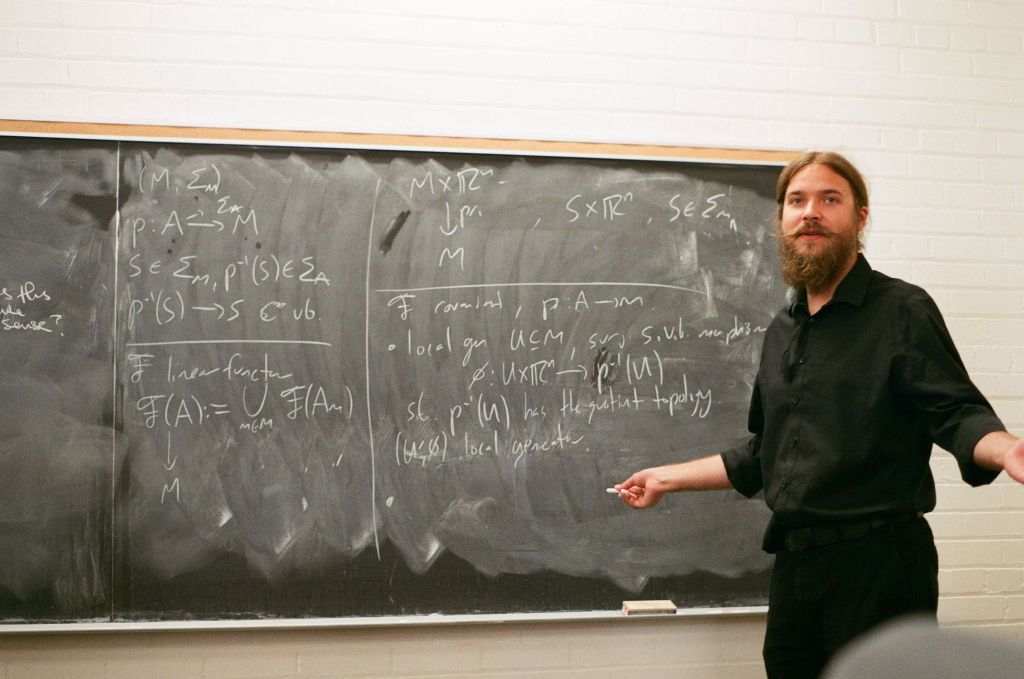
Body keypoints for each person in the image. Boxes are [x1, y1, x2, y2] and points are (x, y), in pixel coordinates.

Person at [614, 150, 1024, 679]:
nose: (811, 212)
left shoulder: (900, 309)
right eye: (797, 201)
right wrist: (664, 478)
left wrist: (1005, 446)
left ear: (860, 217)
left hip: (879, 563)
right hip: (796, 568)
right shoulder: (781, 330)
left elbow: (955, 411)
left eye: (830, 199)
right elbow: (767, 454)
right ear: (781, 220)